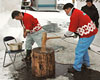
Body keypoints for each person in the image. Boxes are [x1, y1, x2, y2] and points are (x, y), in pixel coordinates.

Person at [63, 3, 98, 73]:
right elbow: (78, 24)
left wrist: (65, 35)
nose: (65, 12)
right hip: (90, 32)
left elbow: (71, 29)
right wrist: (76, 33)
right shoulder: (76, 12)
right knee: (83, 49)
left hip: (88, 34)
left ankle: (76, 68)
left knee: (79, 50)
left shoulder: (74, 15)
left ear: (69, 9)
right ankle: (86, 63)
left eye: (65, 10)